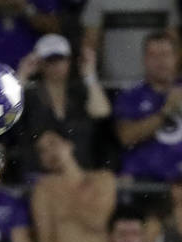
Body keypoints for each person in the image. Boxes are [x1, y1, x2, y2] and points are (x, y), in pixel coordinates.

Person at [14, 33, 111, 177]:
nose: (55, 66)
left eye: (60, 59)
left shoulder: (81, 93)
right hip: (39, 175)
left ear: (69, 60)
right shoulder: (29, 96)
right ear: (39, 63)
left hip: (81, 172)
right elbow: (5, 115)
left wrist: (90, 75)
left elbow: (102, 113)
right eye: (49, 60)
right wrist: (21, 76)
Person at [29, 129, 116, 242]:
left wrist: (69, 204)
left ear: (69, 145)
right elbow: (45, 238)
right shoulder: (43, 190)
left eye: (53, 144)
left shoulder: (103, 179)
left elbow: (101, 223)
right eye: (42, 151)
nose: (50, 152)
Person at [113, 32, 182, 185]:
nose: (160, 61)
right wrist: (166, 110)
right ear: (144, 60)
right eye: (153, 55)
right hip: (143, 179)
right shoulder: (130, 95)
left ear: (176, 58)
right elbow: (127, 137)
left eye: (165, 54)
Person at [81, 0, 178, 88]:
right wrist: (91, 78)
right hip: (114, 83)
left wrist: (173, 79)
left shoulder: (166, 2)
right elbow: (90, 43)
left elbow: (175, 43)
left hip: (157, 84)